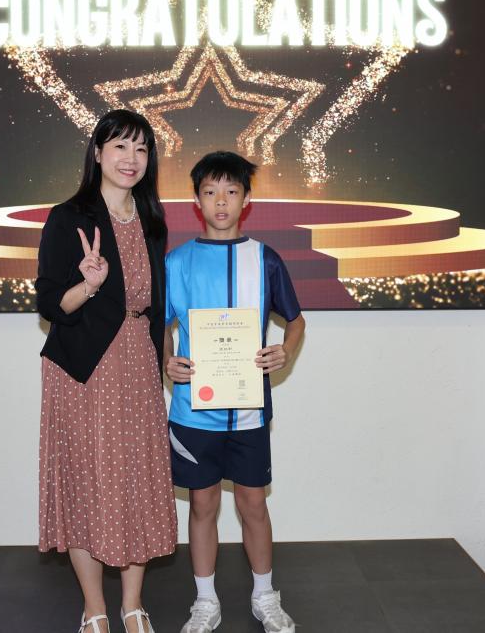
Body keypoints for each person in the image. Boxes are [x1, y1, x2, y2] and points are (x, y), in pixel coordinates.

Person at [36, 109, 176, 633]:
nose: (130, 158)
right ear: (97, 153)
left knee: (138, 479)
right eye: (120, 146)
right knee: (87, 483)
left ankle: (132, 605)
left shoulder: (152, 220)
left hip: (138, 363)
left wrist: (165, 359)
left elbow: (155, 304)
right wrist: (89, 285)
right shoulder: (68, 217)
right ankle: (94, 608)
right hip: (83, 368)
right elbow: (51, 304)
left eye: (141, 149)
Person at [163, 151, 306, 633]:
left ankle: (266, 596)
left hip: (248, 412)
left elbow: (296, 321)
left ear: (246, 200)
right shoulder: (177, 262)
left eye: (230, 191)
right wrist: (167, 360)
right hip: (193, 412)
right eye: (210, 192)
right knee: (203, 505)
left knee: (253, 504)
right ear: (196, 200)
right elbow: (162, 326)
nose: (220, 201)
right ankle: (206, 601)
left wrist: (284, 350)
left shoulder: (265, 258)